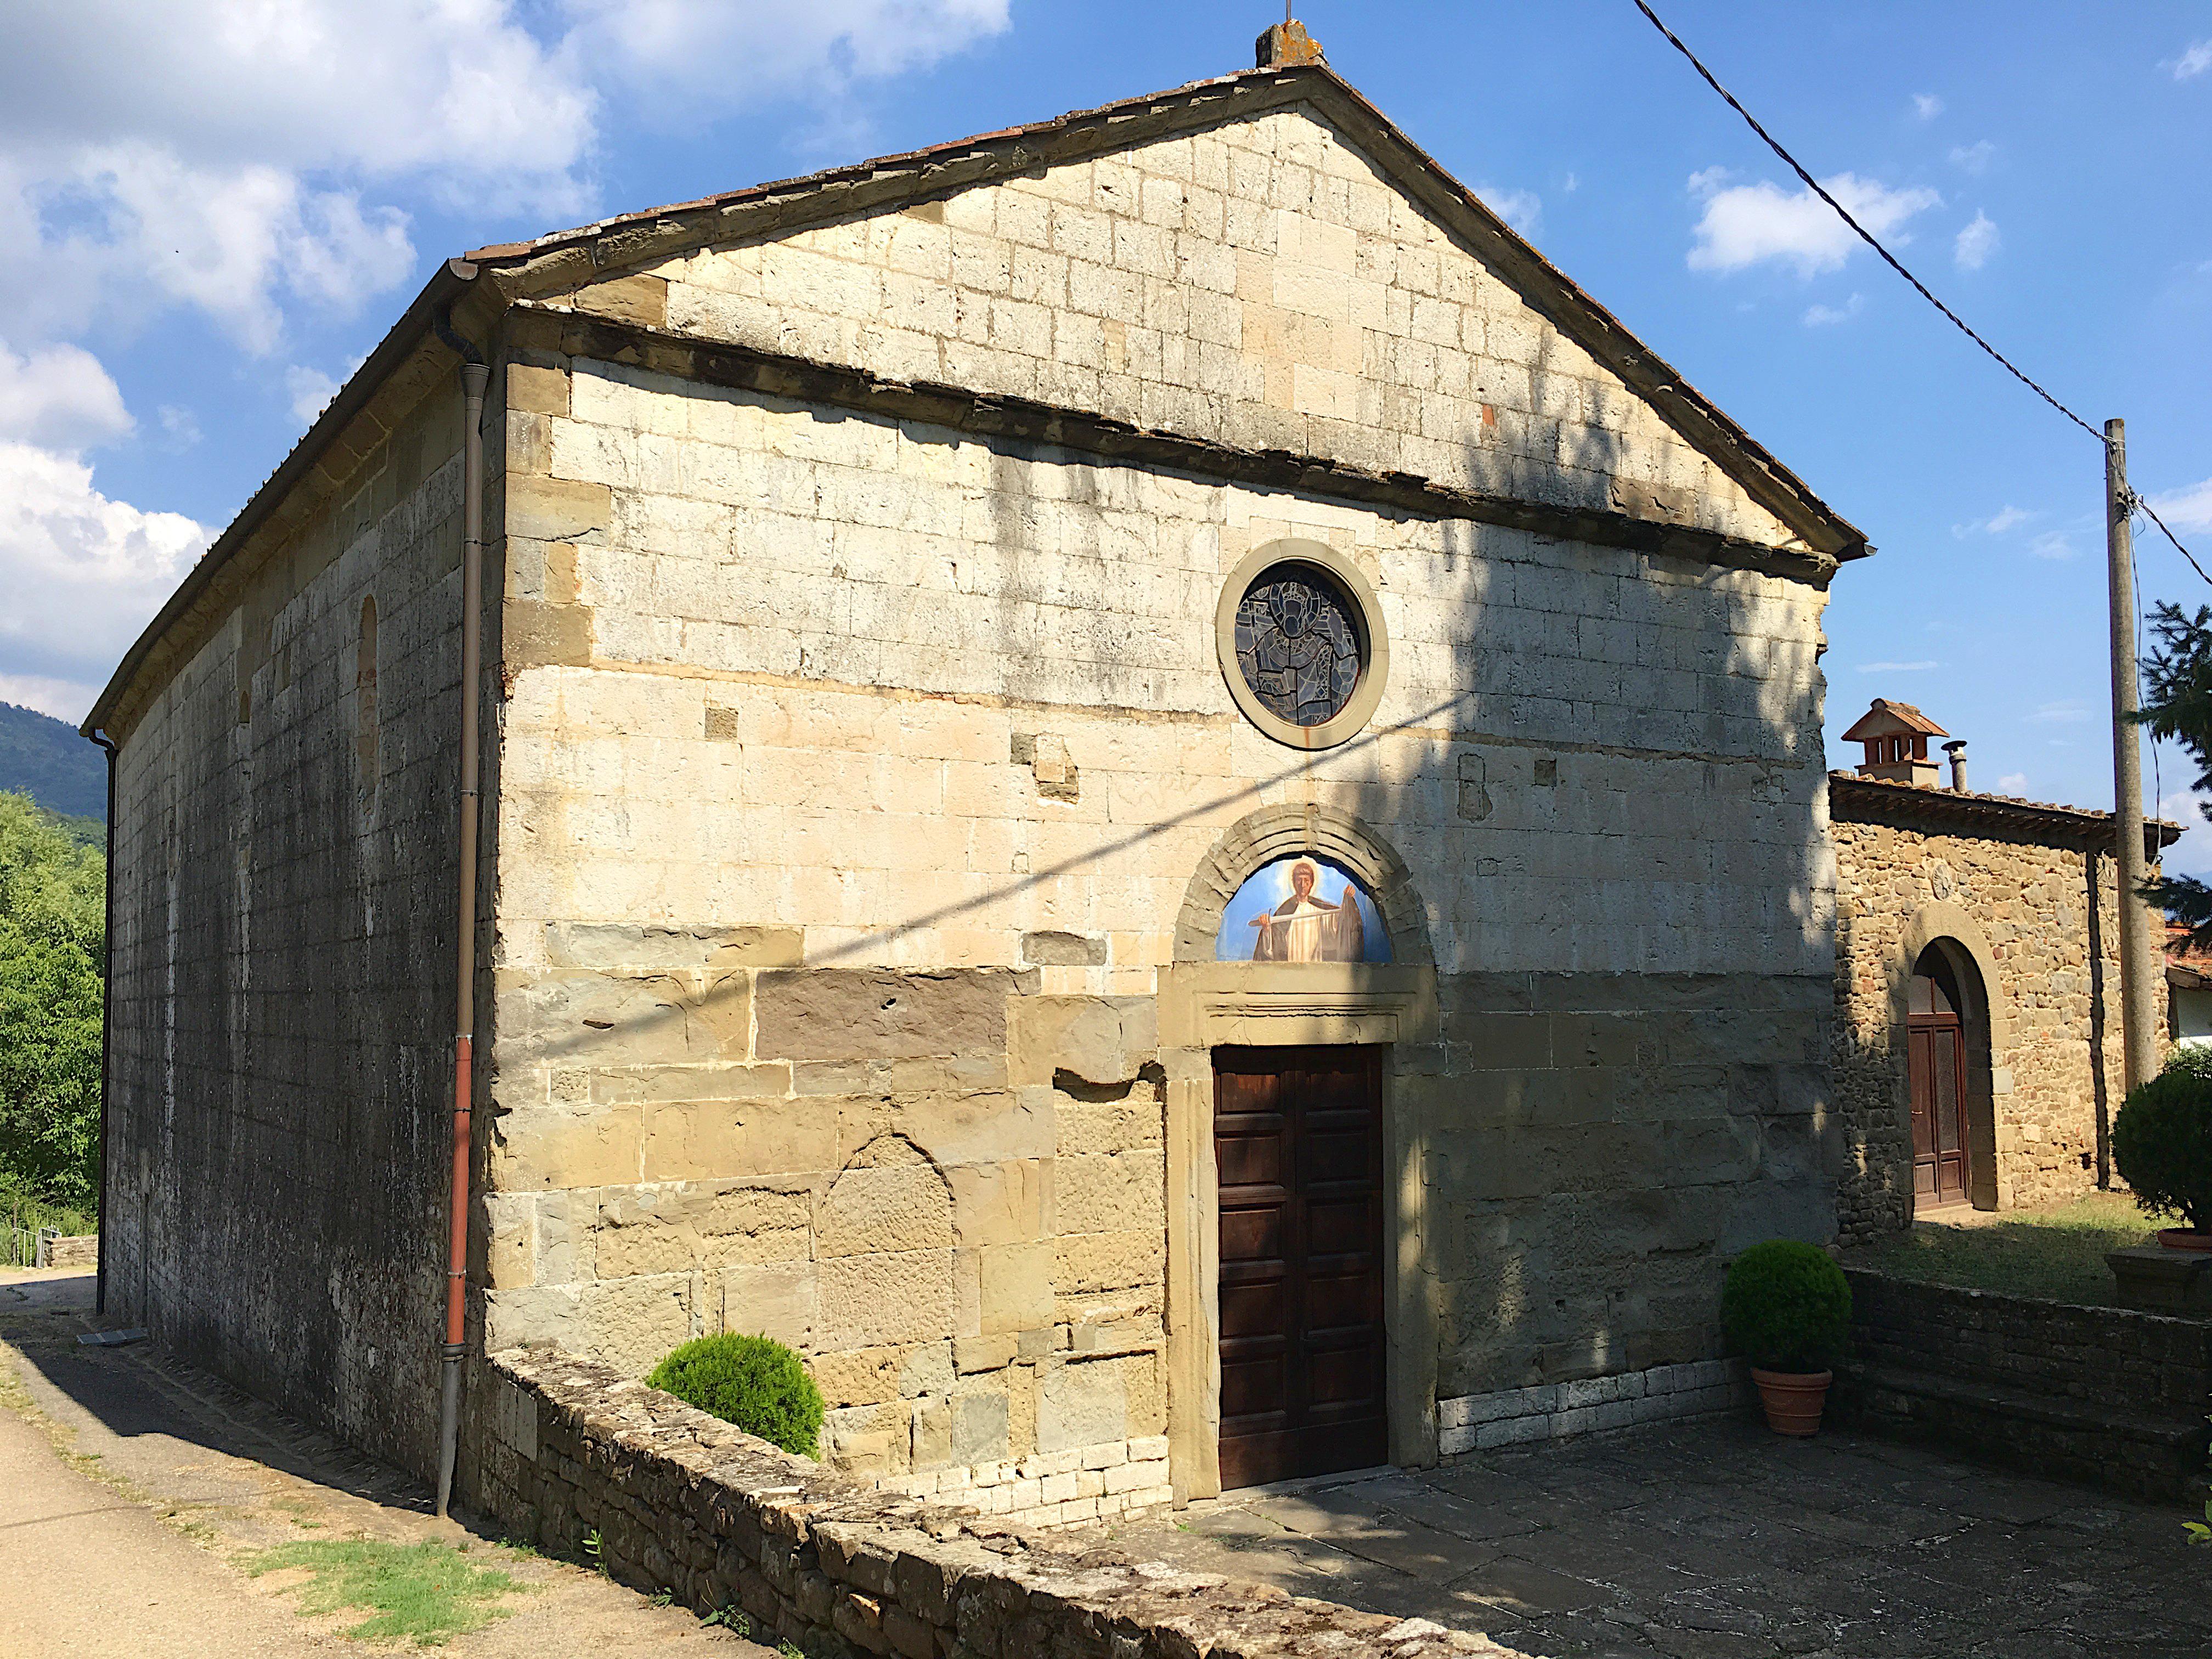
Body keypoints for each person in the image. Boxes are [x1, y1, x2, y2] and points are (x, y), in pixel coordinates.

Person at [1248, 859, 1365, 962]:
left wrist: (1348, 900)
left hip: (1315, 970)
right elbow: (1273, 948)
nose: (1303, 885)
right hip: (1291, 971)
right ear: (1294, 882)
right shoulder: (1285, 911)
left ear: (1311, 883)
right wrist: (1267, 929)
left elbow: (1341, 926)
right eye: (1299, 880)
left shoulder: (1320, 910)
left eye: (1306, 881)